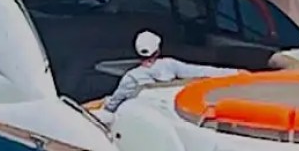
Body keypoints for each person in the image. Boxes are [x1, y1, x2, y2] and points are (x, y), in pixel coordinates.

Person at [94, 30, 239, 119]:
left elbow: (112, 106)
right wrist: (236, 73)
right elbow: (202, 71)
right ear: (158, 51)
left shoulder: (130, 78)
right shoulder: (170, 65)